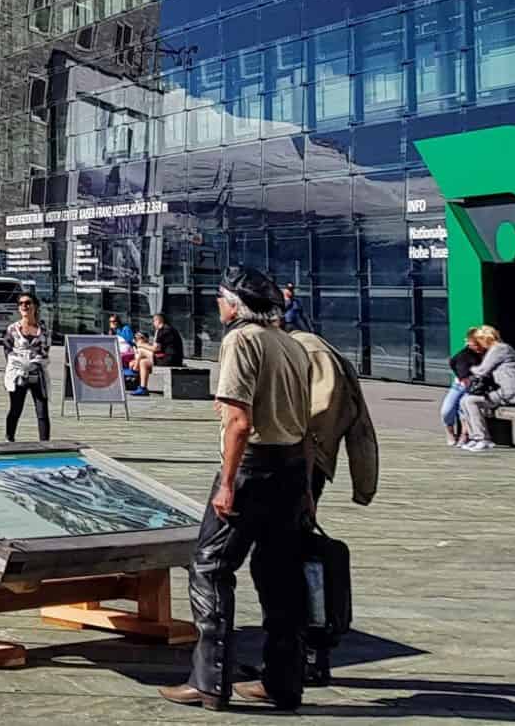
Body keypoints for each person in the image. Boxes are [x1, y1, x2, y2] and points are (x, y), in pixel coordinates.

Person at [162, 267, 310, 712]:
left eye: (221, 297)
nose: (218, 305)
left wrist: (226, 483)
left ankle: (210, 681)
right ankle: (284, 682)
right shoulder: (290, 343)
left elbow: (239, 422)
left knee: (209, 567)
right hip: (290, 468)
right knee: (280, 574)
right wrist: (304, 487)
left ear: (236, 305)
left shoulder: (240, 341)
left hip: (252, 467)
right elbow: (306, 424)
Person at [292, 324, 377, 688]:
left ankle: (310, 655)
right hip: (299, 466)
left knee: (297, 560)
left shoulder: (309, 351)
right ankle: (296, 654)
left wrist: (306, 471)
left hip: (298, 467)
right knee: (288, 559)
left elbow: (320, 420)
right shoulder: (311, 348)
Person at [456, 325, 515, 452]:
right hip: (505, 391)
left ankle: (483, 439)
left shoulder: (499, 349)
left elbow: (482, 370)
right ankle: (475, 437)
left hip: (511, 394)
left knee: (470, 401)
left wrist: (468, 369)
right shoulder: (499, 349)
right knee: (464, 401)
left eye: (479, 340)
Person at [2, 294, 50, 442]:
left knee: (42, 411)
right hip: (18, 374)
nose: (24, 306)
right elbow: (7, 350)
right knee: (15, 409)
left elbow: (45, 351)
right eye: (21, 303)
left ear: (35, 306)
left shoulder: (43, 330)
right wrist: (21, 363)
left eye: (28, 303)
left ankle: (45, 444)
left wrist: (34, 363)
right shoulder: (12, 329)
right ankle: (9, 439)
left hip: (37, 374)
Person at [439, 335, 485, 447]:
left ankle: (464, 434)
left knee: (463, 407)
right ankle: (450, 432)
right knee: (446, 410)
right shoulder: (464, 354)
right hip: (458, 385)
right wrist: (461, 376)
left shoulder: (486, 353)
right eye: (473, 344)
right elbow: (452, 362)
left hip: (474, 388)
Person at [134, 310, 184, 395]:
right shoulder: (170, 329)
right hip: (175, 359)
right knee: (144, 362)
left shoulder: (163, 330)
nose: (153, 323)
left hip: (169, 360)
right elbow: (159, 348)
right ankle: (142, 386)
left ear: (159, 320)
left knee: (141, 351)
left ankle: (135, 371)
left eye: (154, 321)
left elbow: (155, 349)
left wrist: (141, 344)